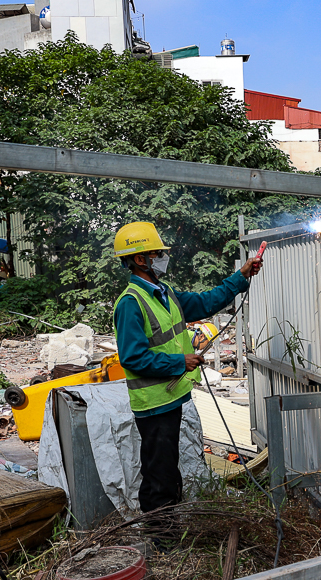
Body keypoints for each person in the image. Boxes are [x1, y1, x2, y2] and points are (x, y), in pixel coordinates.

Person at [112, 221, 263, 543]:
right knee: (159, 475)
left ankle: (169, 531)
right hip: (153, 404)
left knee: (168, 471)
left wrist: (242, 277)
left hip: (170, 398)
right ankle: (163, 542)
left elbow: (205, 302)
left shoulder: (165, 294)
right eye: (158, 253)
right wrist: (180, 361)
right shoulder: (130, 303)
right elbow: (132, 358)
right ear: (141, 260)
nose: (164, 257)